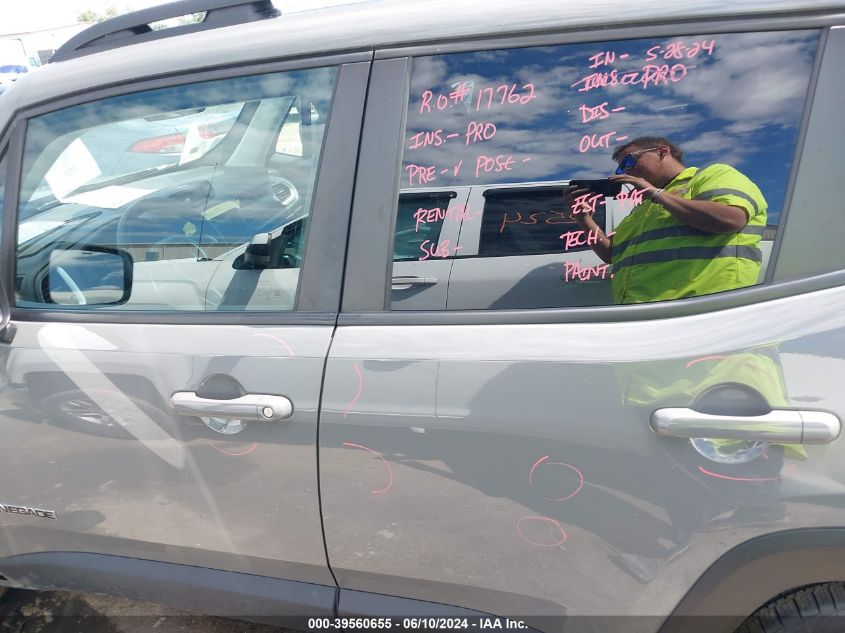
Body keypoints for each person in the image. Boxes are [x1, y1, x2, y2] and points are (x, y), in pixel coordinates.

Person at [565, 136, 767, 304]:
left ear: (662, 151)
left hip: (703, 307)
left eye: (629, 162)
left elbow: (730, 219)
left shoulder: (712, 175)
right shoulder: (643, 209)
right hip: (646, 313)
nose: (627, 171)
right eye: (622, 169)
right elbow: (611, 254)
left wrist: (655, 193)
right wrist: (583, 217)